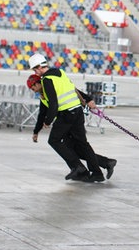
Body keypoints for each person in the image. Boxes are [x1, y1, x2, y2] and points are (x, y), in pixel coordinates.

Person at [28, 53, 104, 182]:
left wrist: (48, 121)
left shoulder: (47, 79)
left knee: (54, 140)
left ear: (40, 67)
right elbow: (74, 89)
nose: (36, 72)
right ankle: (97, 173)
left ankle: (77, 167)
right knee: (83, 144)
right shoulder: (60, 72)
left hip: (67, 113)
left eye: (35, 69)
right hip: (77, 112)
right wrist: (88, 99)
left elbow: (53, 104)